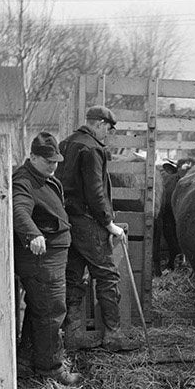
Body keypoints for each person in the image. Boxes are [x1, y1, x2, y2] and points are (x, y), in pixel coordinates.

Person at [58, 104, 137, 351]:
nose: (108, 135)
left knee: (73, 278)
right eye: (108, 130)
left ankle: (72, 335)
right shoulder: (92, 149)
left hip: (68, 220)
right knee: (107, 276)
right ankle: (113, 336)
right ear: (100, 124)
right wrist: (109, 223)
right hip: (89, 222)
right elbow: (95, 191)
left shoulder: (68, 144)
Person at [12, 131, 79, 386]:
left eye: (56, 161)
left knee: (39, 310)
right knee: (52, 312)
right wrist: (32, 235)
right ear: (32, 157)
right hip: (42, 259)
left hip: (51, 258)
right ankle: (51, 368)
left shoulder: (43, 177)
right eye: (48, 160)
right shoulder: (24, 181)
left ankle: (27, 360)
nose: (54, 165)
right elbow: (19, 209)